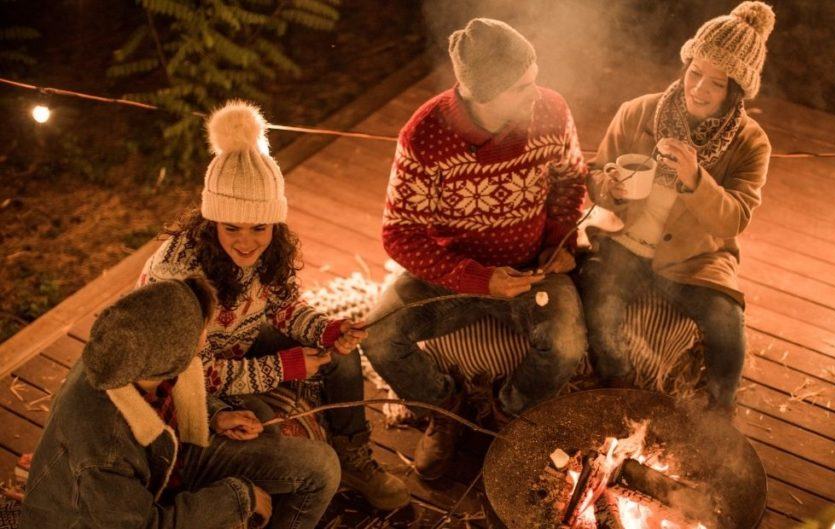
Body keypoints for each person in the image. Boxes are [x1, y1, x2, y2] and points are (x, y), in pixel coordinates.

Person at [138, 101, 408, 510]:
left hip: (236, 344)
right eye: (232, 228)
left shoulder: (269, 251)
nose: (247, 241)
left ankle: (353, 456)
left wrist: (326, 330)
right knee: (265, 425)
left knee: (342, 358)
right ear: (211, 221)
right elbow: (198, 376)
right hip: (182, 386)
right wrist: (287, 366)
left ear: (274, 222)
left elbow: (282, 307)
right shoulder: (181, 279)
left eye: (259, 227)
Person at [361, 18, 588, 480]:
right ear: (483, 94)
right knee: (379, 336)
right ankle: (444, 411)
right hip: (455, 275)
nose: (536, 92)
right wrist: (478, 279)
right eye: (522, 85)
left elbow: (571, 179)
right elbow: (400, 234)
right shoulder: (425, 135)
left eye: (535, 76)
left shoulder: (551, 111)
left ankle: (509, 416)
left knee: (564, 346)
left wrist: (558, 243)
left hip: (531, 270)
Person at [20, 278, 341, 529]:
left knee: (272, 426)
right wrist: (236, 499)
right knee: (321, 471)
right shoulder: (106, 450)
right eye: (204, 330)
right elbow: (144, 525)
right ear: (170, 359)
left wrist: (215, 416)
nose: (208, 335)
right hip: (117, 517)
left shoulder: (134, 356)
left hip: (169, 461)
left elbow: (176, 389)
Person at [580, 1, 775, 411]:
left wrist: (695, 180)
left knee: (726, 329)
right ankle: (618, 392)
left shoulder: (750, 142)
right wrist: (609, 187)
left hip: (693, 258)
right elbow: (596, 176)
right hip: (623, 242)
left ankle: (718, 419)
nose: (699, 89)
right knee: (600, 308)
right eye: (695, 72)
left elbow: (733, 221)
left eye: (717, 83)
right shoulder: (637, 112)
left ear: (735, 91)